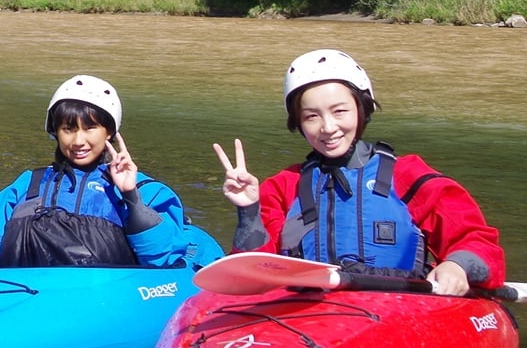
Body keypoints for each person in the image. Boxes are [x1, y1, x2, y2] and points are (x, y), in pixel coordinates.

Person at [213, 47, 506, 295]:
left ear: (362, 109)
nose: (328, 128)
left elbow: (477, 241)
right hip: (308, 317)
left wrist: (458, 265)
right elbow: (256, 274)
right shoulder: (283, 186)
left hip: (399, 310)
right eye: (312, 117)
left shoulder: (409, 176)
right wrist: (249, 211)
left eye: (340, 111)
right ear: (298, 123)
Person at [0, 75, 214, 268]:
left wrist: (131, 197)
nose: (78, 141)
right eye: (68, 129)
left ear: (109, 132)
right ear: (55, 132)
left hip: (109, 306)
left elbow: (163, 260)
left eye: (90, 128)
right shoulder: (29, 184)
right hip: (32, 300)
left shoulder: (145, 190)